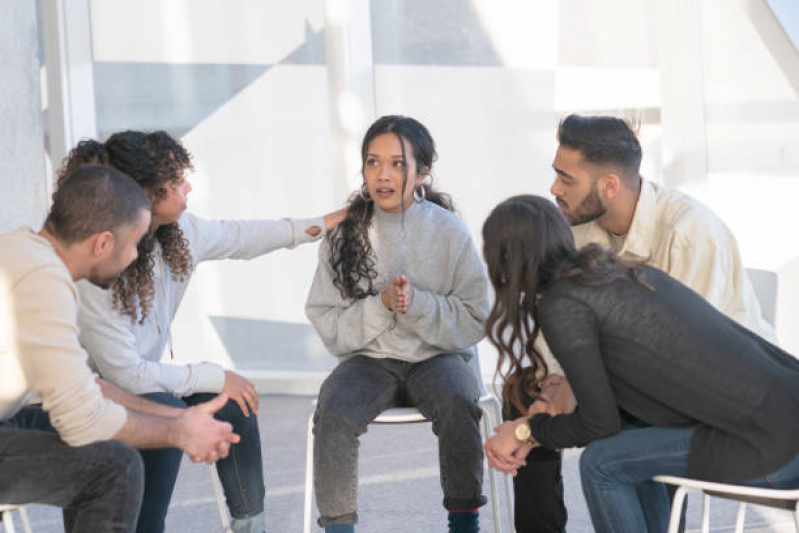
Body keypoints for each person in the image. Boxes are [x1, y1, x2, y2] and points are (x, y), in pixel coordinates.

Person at [57, 131, 347, 533]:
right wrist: (215, 373)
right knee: (172, 412)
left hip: (140, 382)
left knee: (233, 402)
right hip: (88, 391)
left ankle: (250, 526)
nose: (187, 186)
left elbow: (242, 236)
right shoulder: (99, 261)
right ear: (146, 194)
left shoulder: (179, 233)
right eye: (176, 181)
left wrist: (323, 224)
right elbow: (125, 375)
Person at [481, 194, 799, 533]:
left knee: (601, 464)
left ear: (506, 257)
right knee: (625, 446)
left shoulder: (564, 304)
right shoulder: (615, 271)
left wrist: (524, 430)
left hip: (770, 447)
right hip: (783, 420)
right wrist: (531, 429)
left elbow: (597, 423)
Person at [0, 164, 239, 533]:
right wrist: (180, 434)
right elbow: (84, 422)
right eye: (134, 244)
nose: (135, 258)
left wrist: (176, 419)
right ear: (103, 243)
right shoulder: (43, 281)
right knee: (114, 467)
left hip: (6, 420)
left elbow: (87, 389)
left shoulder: (21, 249)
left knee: (120, 437)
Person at [305, 115, 490, 533]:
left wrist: (417, 304)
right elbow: (326, 319)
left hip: (437, 356)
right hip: (369, 360)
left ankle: (465, 524)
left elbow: (476, 316)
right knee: (332, 410)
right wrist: (383, 305)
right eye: (372, 162)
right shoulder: (343, 234)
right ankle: (339, 528)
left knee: (461, 401)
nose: (382, 175)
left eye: (397, 164)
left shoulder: (450, 232)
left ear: (423, 171)